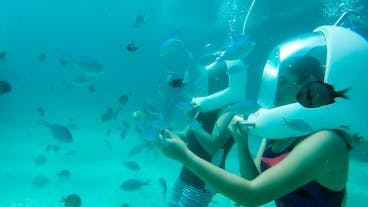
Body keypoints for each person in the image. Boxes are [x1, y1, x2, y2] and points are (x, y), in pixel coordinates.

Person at [158, 25, 368, 207]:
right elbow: (254, 178)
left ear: (310, 85)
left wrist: (185, 156)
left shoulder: (326, 141)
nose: (275, 89)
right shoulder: (281, 128)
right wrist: (241, 143)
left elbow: (253, 195)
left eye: (283, 82)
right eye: (276, 81)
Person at [168, 61, 236, 207]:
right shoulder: (205, 105)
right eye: (211, 79)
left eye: (217, 79)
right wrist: (163, 132)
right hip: (187, 171)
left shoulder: (230, 110)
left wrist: (191, 119)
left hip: (204, 181)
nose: (213, 83)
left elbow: (212, 146)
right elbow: (187, 135)